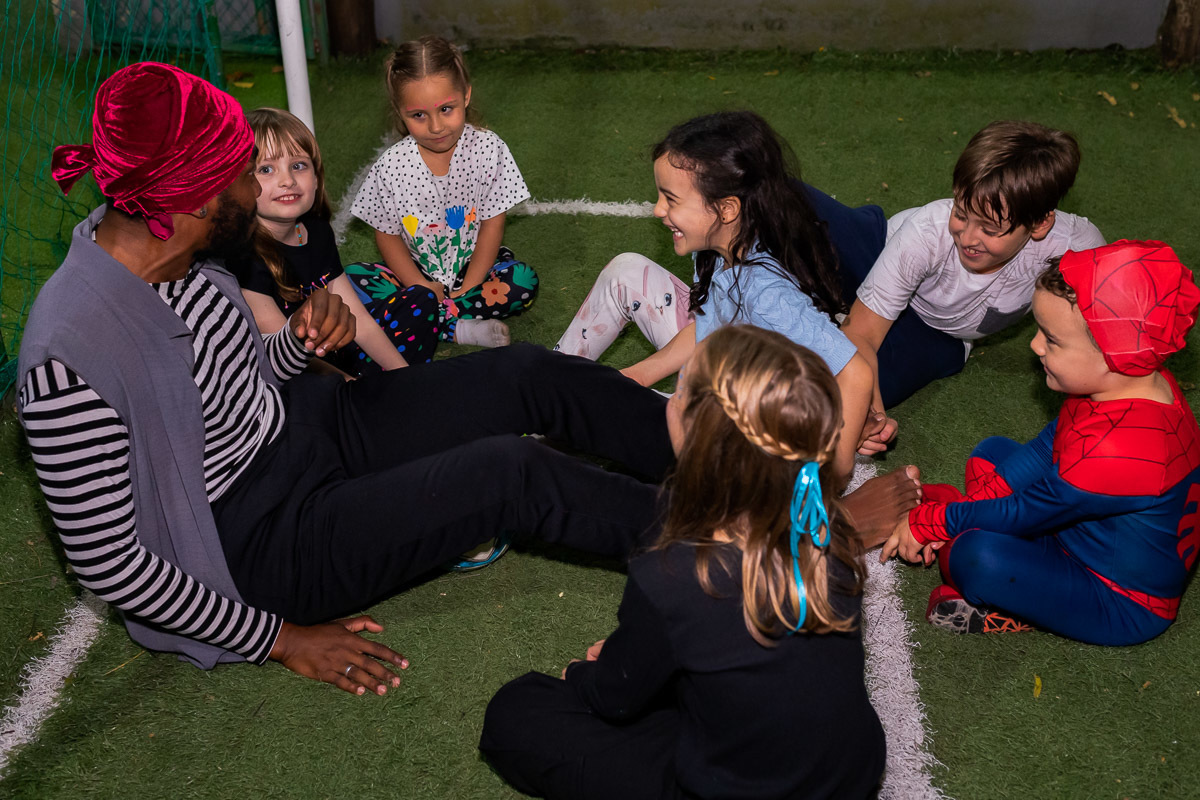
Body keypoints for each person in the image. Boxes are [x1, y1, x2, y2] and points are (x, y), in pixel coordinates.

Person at [20, 62, 675, 696]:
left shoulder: (182, 255)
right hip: (262, 537)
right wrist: (279, 639)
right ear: (189, 197)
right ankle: (725, 545)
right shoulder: (67, 355)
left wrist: (296, 340)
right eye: (240, 176)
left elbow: (235, 385)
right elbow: (111, 565)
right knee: (508, 472)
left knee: (526, 372)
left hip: (312, 422)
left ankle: (720, 459)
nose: (257, 191)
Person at [481, 325, 886, 799]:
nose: (669, 399)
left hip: (748, 787)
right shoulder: (827, 528)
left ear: (698, 439)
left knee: (517, 713)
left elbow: (613, 698)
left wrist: (591, 672)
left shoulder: (675, 572)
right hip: (849, 775)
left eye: (679, 393)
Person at [555, 111, 904, 494]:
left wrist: (837, 471)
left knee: (611, 409)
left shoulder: (766, 291)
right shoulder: (717, 245)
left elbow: (855, 372)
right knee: (626, 271)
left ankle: (556, 411)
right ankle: (554, 376)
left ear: (726, 209)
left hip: (752, 425)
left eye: (670, 199)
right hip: (731, 372)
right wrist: (638, 375)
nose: (658, 209)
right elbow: (708, 330)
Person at [881, 241, 1200, 646]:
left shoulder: (1114, 451)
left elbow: (1022, 513)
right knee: (991, 454)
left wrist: (935, 521)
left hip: (1119, 600)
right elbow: (1050, 444)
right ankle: (1012, 561)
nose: (1035, 346)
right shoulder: (1137, 383)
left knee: (972, 556)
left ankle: (1013, 606)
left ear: (1113, 353)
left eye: (1052, 340)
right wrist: (969, 507)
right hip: (1089, 530)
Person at [820, 120, 1106, 414]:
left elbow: (1112, 320)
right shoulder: (928, 230)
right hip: (872, 250)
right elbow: (863, 332)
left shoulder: (1076, 246)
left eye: (990, 229)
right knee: (792, 205)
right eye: (960, 212)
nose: (968, 238)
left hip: (937, 333)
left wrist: (868, 414)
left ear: (1039, 223)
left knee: (831, 395)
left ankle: (827, 309)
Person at [351, 34, 537, 349]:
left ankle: (433, 318)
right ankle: (456, 327)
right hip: (413, 275)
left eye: (446, 109)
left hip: (474, 265)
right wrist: (420, 286)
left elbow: (493, 222)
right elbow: (387, 235)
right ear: (400, 111)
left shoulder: (489, 149)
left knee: (521, 281)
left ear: (465, 95)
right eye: (419, 115)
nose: (436, 127)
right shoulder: (391, 166)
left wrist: (471, 284)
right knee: (352, 281)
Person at [233, 107, 440, 374]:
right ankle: (364, 399)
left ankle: (382, 390)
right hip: (295, 372)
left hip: (336, 350)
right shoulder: (245, 258)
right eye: (266, 169)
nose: (287, 180)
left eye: (298, 166)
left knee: (420, 302)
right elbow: (285, 360)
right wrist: (347, 388)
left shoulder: (316, 231)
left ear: (317, 178)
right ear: (239, 184)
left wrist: (404, 378)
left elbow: (359, 321)